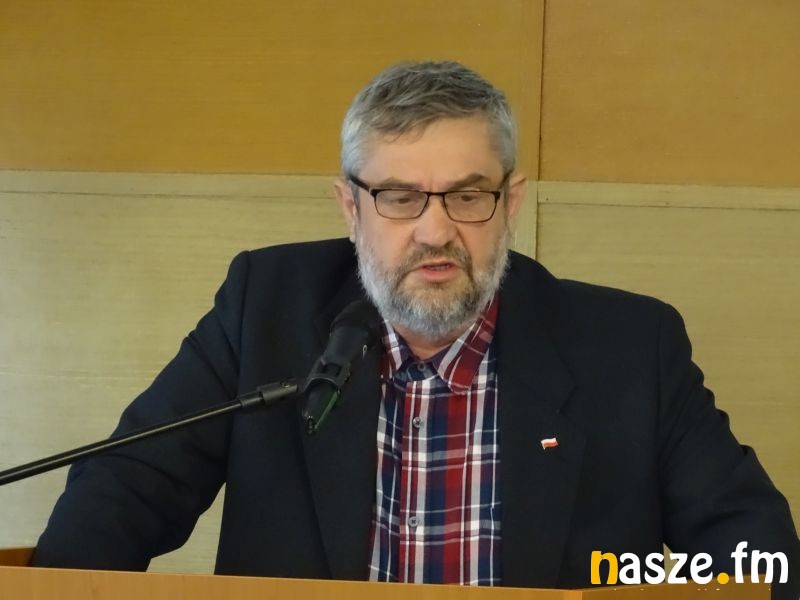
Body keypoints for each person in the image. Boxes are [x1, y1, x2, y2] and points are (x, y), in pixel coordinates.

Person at [32, 61, 798, 598]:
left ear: (511, 202)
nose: (435, 232)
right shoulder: (266, 308)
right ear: (350, 207)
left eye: (467, 196)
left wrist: (626, 581)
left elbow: (757, 556)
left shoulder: (629, 347)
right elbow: (120, 494)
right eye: (399, 198)